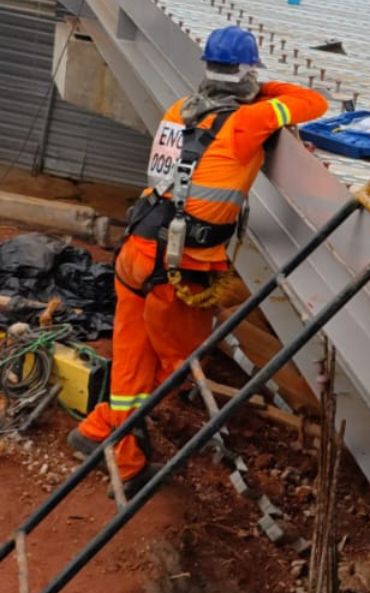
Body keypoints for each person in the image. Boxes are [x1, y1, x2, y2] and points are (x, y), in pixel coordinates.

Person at [69, 27, 329, 493]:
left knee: (130, 367)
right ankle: (113, 437)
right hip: (178, 268)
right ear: (248, 73)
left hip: (136, 252)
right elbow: (313, 102)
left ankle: (104, 440)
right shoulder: (248, 121)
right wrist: (260, 90)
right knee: (178, 365)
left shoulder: (180, 110)